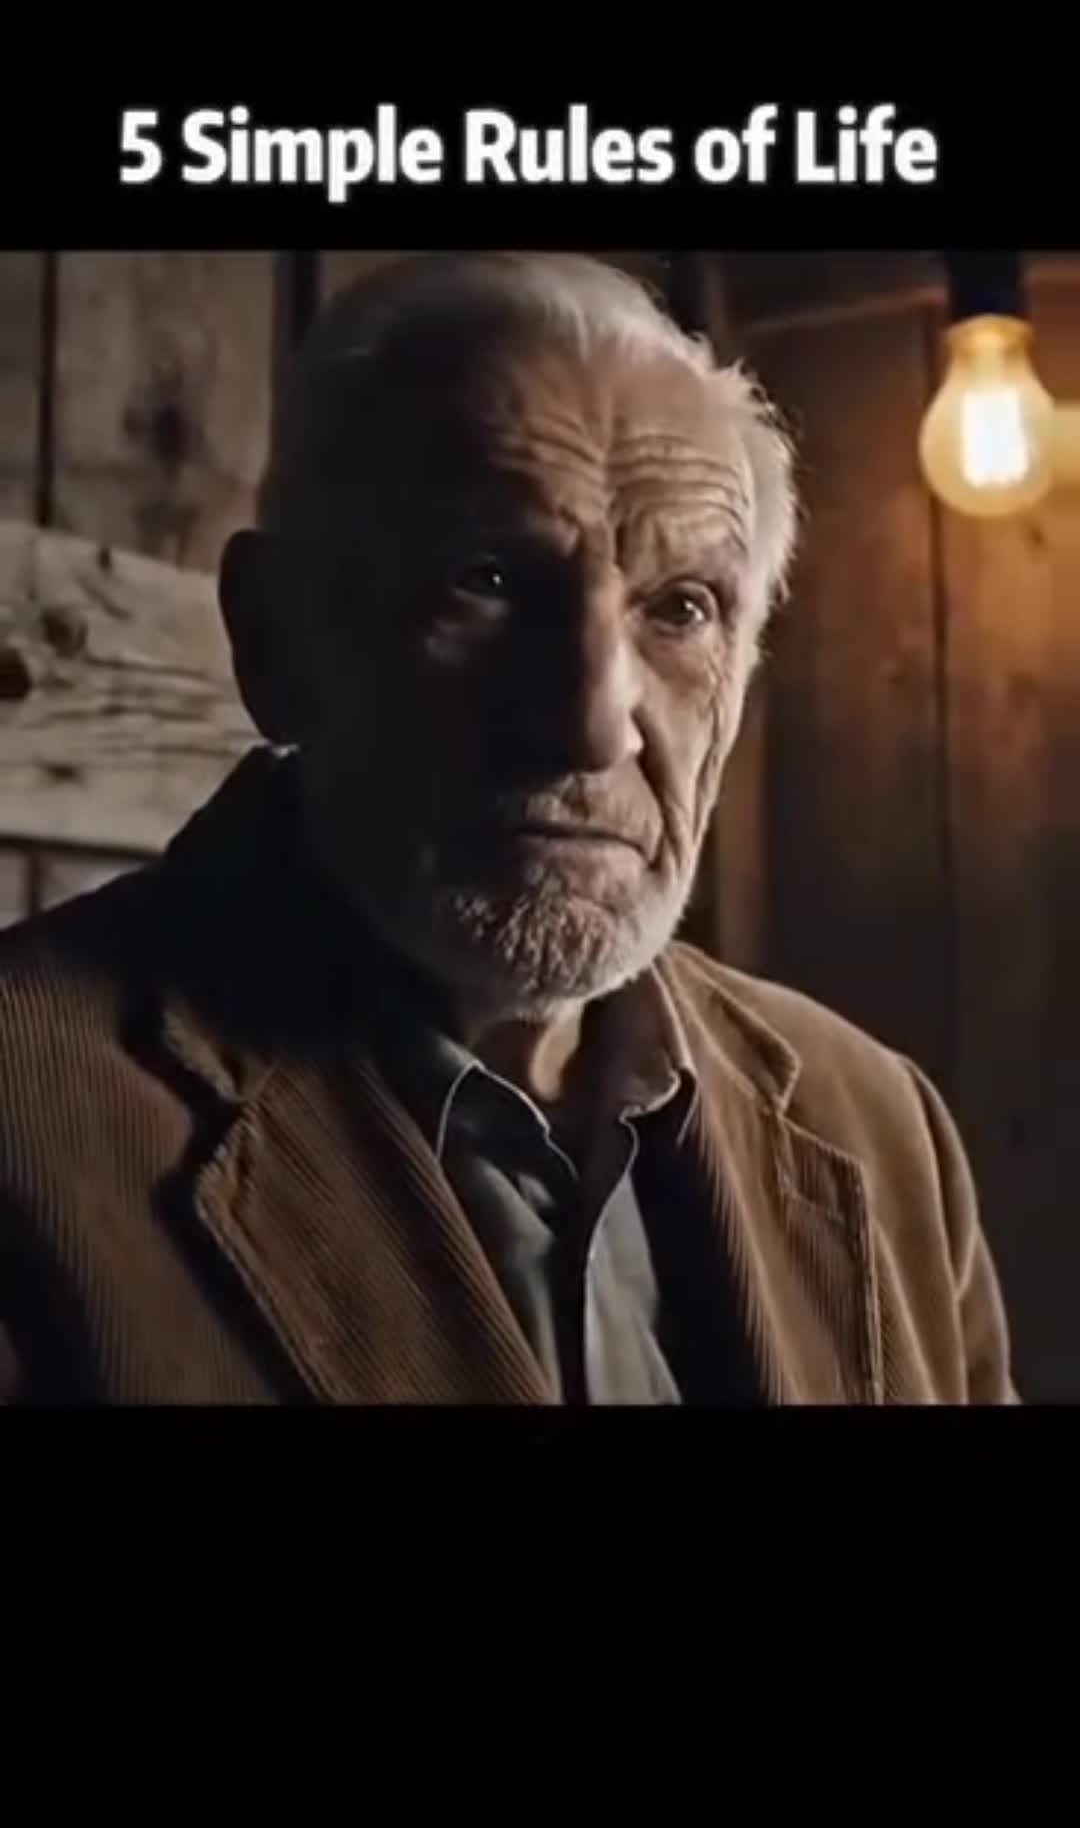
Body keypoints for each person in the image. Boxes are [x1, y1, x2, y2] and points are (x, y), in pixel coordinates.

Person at [0, 251, 1015, 1405]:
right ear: (272, 640)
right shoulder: (31, 1104)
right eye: (484, 580)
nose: (593, 722)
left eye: (682, 609)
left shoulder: (881, 1128)